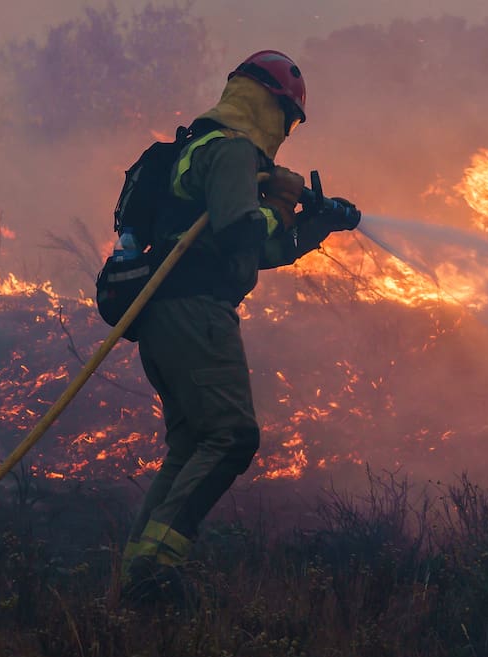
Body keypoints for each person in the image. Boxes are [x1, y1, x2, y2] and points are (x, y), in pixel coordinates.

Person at [119, 50, 354, 601]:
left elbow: (259, 249)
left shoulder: (204, 148)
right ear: (268, 106)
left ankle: (135, 574)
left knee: (191, 444)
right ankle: (157, 568)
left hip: (165, 314)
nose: (287, 133)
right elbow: (238, 233)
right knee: (231, 436)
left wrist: (312, 225)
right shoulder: (230, 151)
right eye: (288, 120)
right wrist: (277, 200)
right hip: (195, 311)